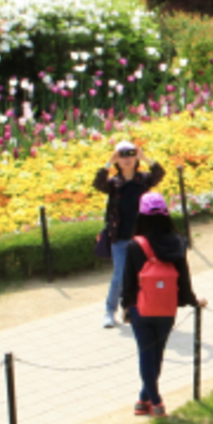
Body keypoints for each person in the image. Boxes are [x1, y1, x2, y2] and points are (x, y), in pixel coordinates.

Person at [121, 192, 206, 418]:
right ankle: (143, 399)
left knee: (146, 353)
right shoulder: (178, 243)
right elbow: (184, 278)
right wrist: (191, 300)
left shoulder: (134, 245)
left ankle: (155, 402)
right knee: (157, 354)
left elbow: (127, 282)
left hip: (141, 307)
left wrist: (126, 307)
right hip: (167, 308)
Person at [94, 141, 165, 329]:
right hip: (120, 237)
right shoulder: (114, 183)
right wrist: (109, 162)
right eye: (122, 156)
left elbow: (160, 174)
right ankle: (110, 311)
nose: (127, 159)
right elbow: (98, 183)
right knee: (119, 276)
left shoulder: (143, 179)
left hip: (141, 237)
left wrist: (145, 158)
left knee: (143, 274)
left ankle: (135, 309)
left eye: (130, 155)